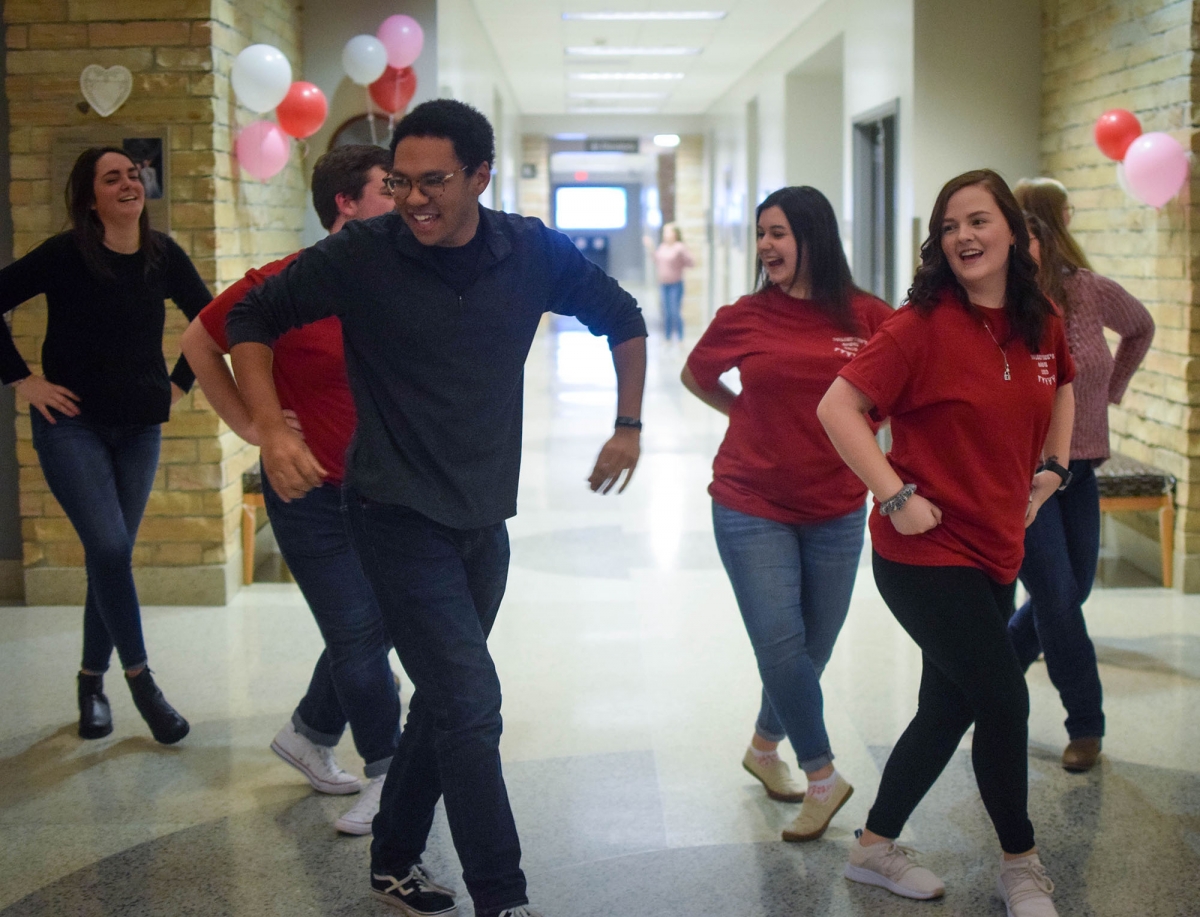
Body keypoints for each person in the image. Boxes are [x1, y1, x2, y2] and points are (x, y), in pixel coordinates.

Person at [225, 100, 647, 917]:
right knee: (471, 703)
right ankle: (504, 896)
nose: (415, 199)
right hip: (391, 511)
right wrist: (271, 428)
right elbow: (250, 318)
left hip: (483, 523)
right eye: (401, 182)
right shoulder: (362, 254)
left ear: (480, 177)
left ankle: (392, 861)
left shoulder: (529, 250)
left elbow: (622, 316)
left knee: (444, 703)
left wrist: (628, 425)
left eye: (434, 182)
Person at [818, 169, 1075, 916]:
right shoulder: (919, 326)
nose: (963, 236)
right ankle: (1020, 864)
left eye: (978, 221)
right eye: (950, 225)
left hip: (998, 546)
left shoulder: (1041, 319)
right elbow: (837, 406)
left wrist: (1054, 465)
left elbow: (1063, 381)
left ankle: (872, 846)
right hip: (923, 553)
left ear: (1013, 234)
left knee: (947, 706)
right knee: (1001, 696)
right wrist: (893, 494)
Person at [180, 145, 401, 835]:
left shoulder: (403, 277)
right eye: (388, 188)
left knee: (368, 625)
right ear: (347, 202)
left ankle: (309, 731)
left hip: (388, 493)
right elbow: (197, 341)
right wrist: (254, 423)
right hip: (311, 494)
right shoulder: (287, 281)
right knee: (362, 636)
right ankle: (389, 771)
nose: (405, 200)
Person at [682, 186, 892, 842]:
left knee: (811, 648)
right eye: (762, 233)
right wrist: (741, 410)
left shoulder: (869, 315)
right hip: (751, 500)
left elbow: (903, 384)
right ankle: (823, 775)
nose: (766, 246)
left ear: (815, 238)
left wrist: (865, 429)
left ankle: (764, 744)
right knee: (780, 641)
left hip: (835, 504)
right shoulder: (744, 315)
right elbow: (696, 374)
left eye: (779, 233)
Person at [0, 147, 211, 744]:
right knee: (112, 547)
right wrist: (22, 380)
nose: (128, 183)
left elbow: (210, 319)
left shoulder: (162, 254)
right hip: (73, 426)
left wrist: (179, 386)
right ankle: (142, 681)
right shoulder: (67, 254)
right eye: (111, 177)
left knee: (108, 557)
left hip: (140, 428)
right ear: (90, 198)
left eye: (133, 174)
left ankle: (90, 681)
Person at [1011, 179, 1154, 773]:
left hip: (1084, 464)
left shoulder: (1088, 290)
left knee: (1073, 593)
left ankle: (981, 677)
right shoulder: (1003, 307)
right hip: (1025, 477)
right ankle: (1086, 725)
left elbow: (1141, 326)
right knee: (1058, 598)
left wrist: (1111, 391)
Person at [654, 222, 694, 341]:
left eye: (668, 231)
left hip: (675, 284)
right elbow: (657, 260)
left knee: (674, 311)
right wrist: (650, 247)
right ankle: (667, 337)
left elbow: (690, 262)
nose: (665, 234)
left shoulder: (679, 247)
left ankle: (680, 337)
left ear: (675, 234)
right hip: (663, 284)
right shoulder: (662, 247)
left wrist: (682, 256)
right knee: (666, 312)